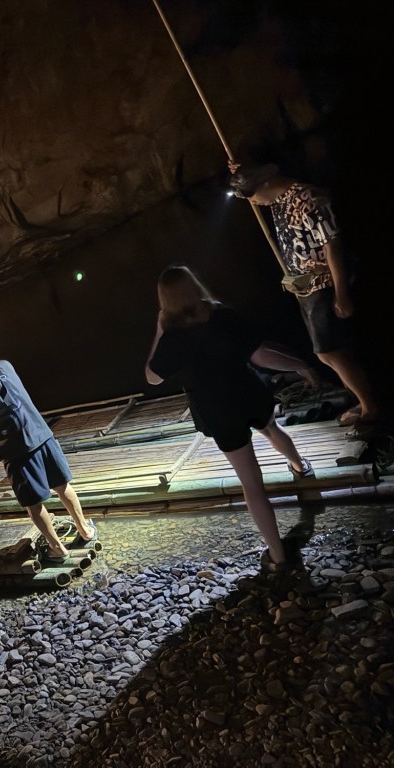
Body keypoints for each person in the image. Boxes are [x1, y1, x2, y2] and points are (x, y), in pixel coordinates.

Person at [145, 264, 317, 574]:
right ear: (194, 286)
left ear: (165, 302)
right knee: (271, 429)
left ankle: (278, 556)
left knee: (252, 484)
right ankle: (300, 466)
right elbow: (260, 354)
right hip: (248, 392)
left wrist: (160, 328)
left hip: (218, 410)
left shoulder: (174, 338)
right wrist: (299, 365)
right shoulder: (221, 315)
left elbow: (152, 377)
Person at [229, 161, 381, 436]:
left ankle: (370, 407)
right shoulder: (277, 200)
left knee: (328, 351)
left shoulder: (307, 198)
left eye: (252, 195)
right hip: (305, 288)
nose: (252, 202)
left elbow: (332, 244)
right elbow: (250, 179)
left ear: (264, 183)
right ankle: (362, 399)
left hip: (323, 284)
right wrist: (240, 170)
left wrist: (341, 292)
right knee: (331, 353)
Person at [0, 344, 97, 562]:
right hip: (42, 434)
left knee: (32, 503)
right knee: (62, 486)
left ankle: (58, 550)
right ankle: (85, 530)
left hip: (19, 449)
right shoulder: (3, 364)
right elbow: (2, 401)